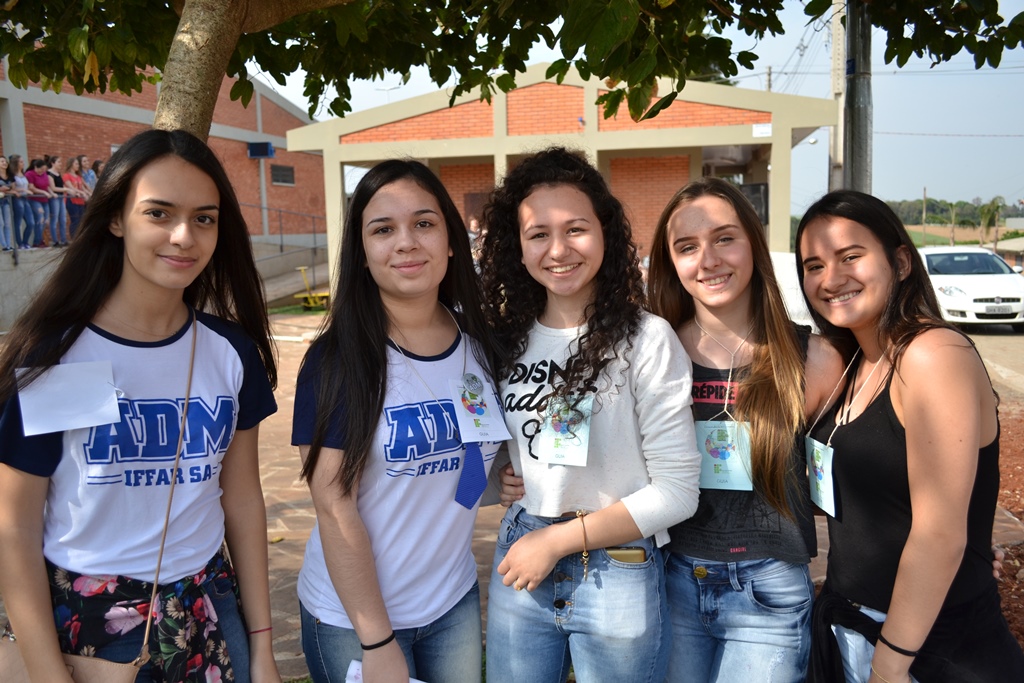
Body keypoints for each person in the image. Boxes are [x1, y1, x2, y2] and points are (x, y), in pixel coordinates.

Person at [0, 129, 283, 683]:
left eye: (204, 218)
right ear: (115, 218)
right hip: (92, 623)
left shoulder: (230, 352)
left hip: (210, 606)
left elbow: (243, 500)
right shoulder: (60, 355)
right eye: (158, 213)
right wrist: (47, 673)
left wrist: (264, 647)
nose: (184, 236)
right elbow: (15, 528)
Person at [478, 147, 701, 683]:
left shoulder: (647, 339)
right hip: (522, 546)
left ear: (605, 233)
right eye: (538, 234)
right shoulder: (504, 340)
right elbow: (504, 453)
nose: (558, 250)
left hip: (616, 562)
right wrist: (504, 476)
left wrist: (555, 541)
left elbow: (678, 492)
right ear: (518, 248)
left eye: (575, 229)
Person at [796, 190, 1024, 683]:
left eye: (850, 257)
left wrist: (890, 665)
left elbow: (939, 532)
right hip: (851, 628)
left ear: (901, 262)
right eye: (814, 266)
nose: (830, 279)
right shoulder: (854, 364)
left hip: (929, 648)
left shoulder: (932, 355)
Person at [292, 159, 504, 683]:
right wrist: (377, 639)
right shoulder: (337, 360)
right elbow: (334, 506)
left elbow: (467, 461)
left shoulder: (481, 347)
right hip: (354, 620)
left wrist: (500, 479)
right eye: (383, 229)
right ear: (362, 253)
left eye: (423, 223)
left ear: (450, 241)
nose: (406, 242)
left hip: (451, 602)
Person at [644, 177, 844, 682]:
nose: (708, 260)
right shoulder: (649, 355)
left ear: (754, 243)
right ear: (671, 263)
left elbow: (861, 470)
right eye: (687, 247)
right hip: (671, 579)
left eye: (724, 239)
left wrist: (969, 543)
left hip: (770, 591)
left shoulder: (815, 359)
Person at [9, 155, 39, 250]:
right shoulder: (12, 175)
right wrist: (23, 190)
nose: (23, 163)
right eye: (21, 162)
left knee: (31, 222)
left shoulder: (23, 174)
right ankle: (20, 243)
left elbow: (27, 185)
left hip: (25, 199)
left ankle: (25, 242)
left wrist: (29, 188)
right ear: (16, 163)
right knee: (17, 222)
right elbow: (13, 188)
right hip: (17, 199)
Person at [23, 158, 51, 247]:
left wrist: (51, 193)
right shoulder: (29, 174)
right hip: (34, 199)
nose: (42, 171)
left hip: (44, 200)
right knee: (40, 219)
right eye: (41, 169)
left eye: (44, 169)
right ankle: (37, 242)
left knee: (46, 220)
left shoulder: (44, 174)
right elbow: (31, 188)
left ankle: (40, 239)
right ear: (35, 167)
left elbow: (47, 186)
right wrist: (44, 192)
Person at [45, 154, 70, 246]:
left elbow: (61, 186)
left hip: (60, 197)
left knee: (63, 219)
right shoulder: (49, 173)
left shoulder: (58, 174)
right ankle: (55, 240)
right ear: (53, 163)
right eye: (58, 162)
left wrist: (65, 189)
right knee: (54, 219)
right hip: (54, 198)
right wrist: (66, 189)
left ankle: (63, 239)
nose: (60, 164)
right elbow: (53, 188)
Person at [63, 156, 89, 239]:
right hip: (71, 200)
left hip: (80, 201)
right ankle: (74, 238)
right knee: (75, 220)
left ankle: (80, 237)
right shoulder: (66, 175)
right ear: (71, 165)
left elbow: (82, 188)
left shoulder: (78, 177)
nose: (78, 166)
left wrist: (88, 193)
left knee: (81, 220)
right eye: (76, 164)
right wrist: (82, 193)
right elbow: (71, 187)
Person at [0, 155, 14, 251]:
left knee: (7, 223)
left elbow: (13, 189)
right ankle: (4, 245)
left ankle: (9, 244)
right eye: (2, 161)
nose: (4, 163)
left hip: (6, 201)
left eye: (5, 161)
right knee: (0, 223)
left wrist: (7, 191)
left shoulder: (10, 175)